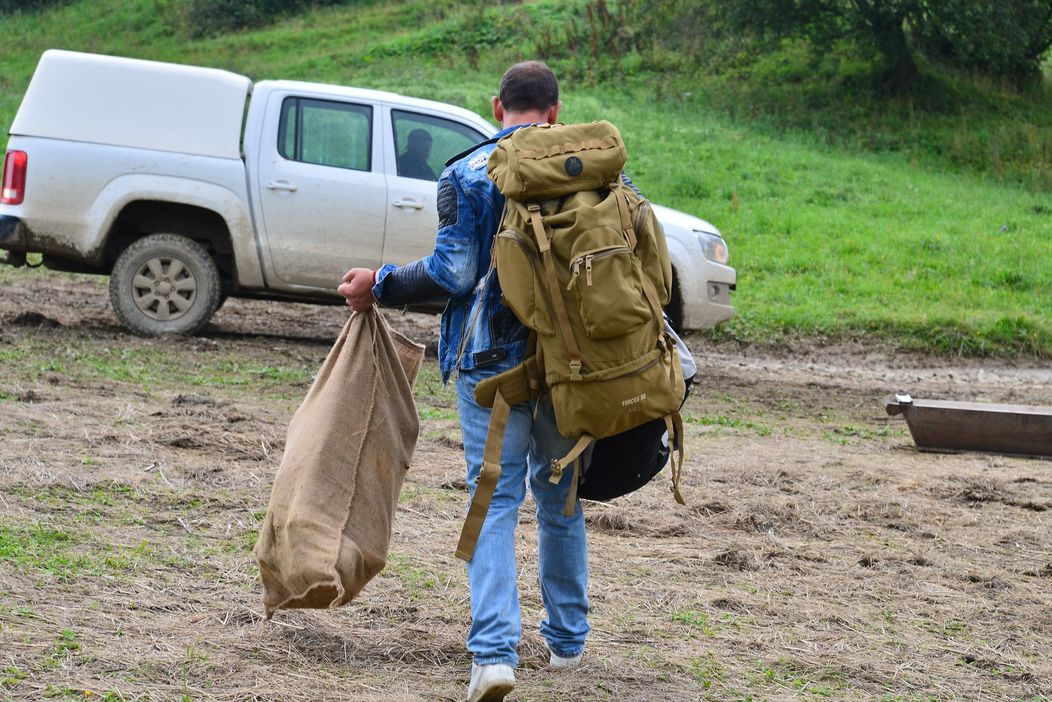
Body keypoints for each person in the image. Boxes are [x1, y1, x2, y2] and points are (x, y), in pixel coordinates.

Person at [339, 61, 586, 702]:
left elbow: (453, 273)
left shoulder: (469, 171)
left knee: (494, 501)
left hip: (490, 364)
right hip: (570, 367)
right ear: (555, 111)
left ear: (497, 107)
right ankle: (567, 644)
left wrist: (380, 282)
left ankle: (495, 656)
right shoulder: (591, 170)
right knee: (560, 498)